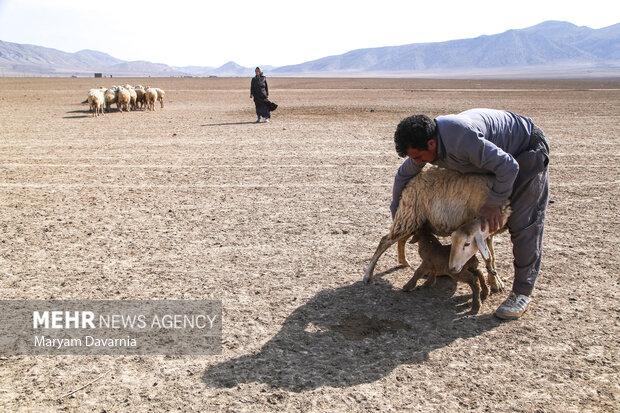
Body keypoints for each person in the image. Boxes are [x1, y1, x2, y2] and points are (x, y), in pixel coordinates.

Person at [390, 109, 550, 320]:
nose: (419, 162)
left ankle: (522, 293)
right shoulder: (428, 146)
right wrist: (398, 211)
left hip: (526, 151)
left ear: (431, 143)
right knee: (476, 219)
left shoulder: (461, 139)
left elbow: (508, 166)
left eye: (419, 156)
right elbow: (404, 174)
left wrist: (494, 203)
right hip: (496, 159)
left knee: (522, 221)